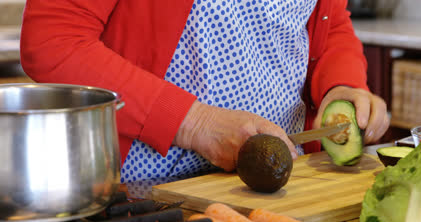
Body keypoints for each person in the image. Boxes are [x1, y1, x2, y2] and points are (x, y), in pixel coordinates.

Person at [20, 0, 390, 196]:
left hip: (286, 188)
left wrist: (342, 84)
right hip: (146, 195)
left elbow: (330, 23)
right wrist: (196, 123)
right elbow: (54, 42)